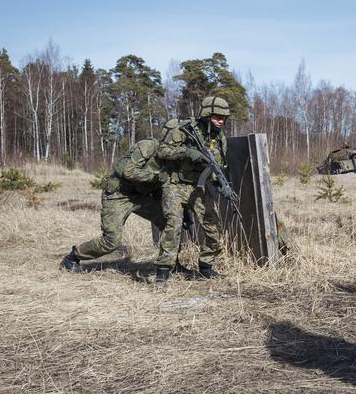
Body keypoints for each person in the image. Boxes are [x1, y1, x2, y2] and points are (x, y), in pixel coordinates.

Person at [154, 95, 233, 283]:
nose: (221, 121)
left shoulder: (219, 138)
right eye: (216, 117)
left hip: (198, 187)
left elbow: (217, 166)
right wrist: (187, 153)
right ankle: (164, 271)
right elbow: (162, 151)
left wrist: (221, 184)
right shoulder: (184, 130)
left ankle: (206, 266)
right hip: (175, 184)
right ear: (206, 115)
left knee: (214, 225)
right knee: (173, 225)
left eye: (223, 118)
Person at [60, 138, 166, 272]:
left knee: (169, 222)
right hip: (118, 194)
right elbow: (129, 171)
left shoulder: (172, 157)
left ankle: (167, 264)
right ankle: (72, 258)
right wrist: (157, 177)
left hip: (140, 196)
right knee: (111, 241)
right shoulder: (149, 146)